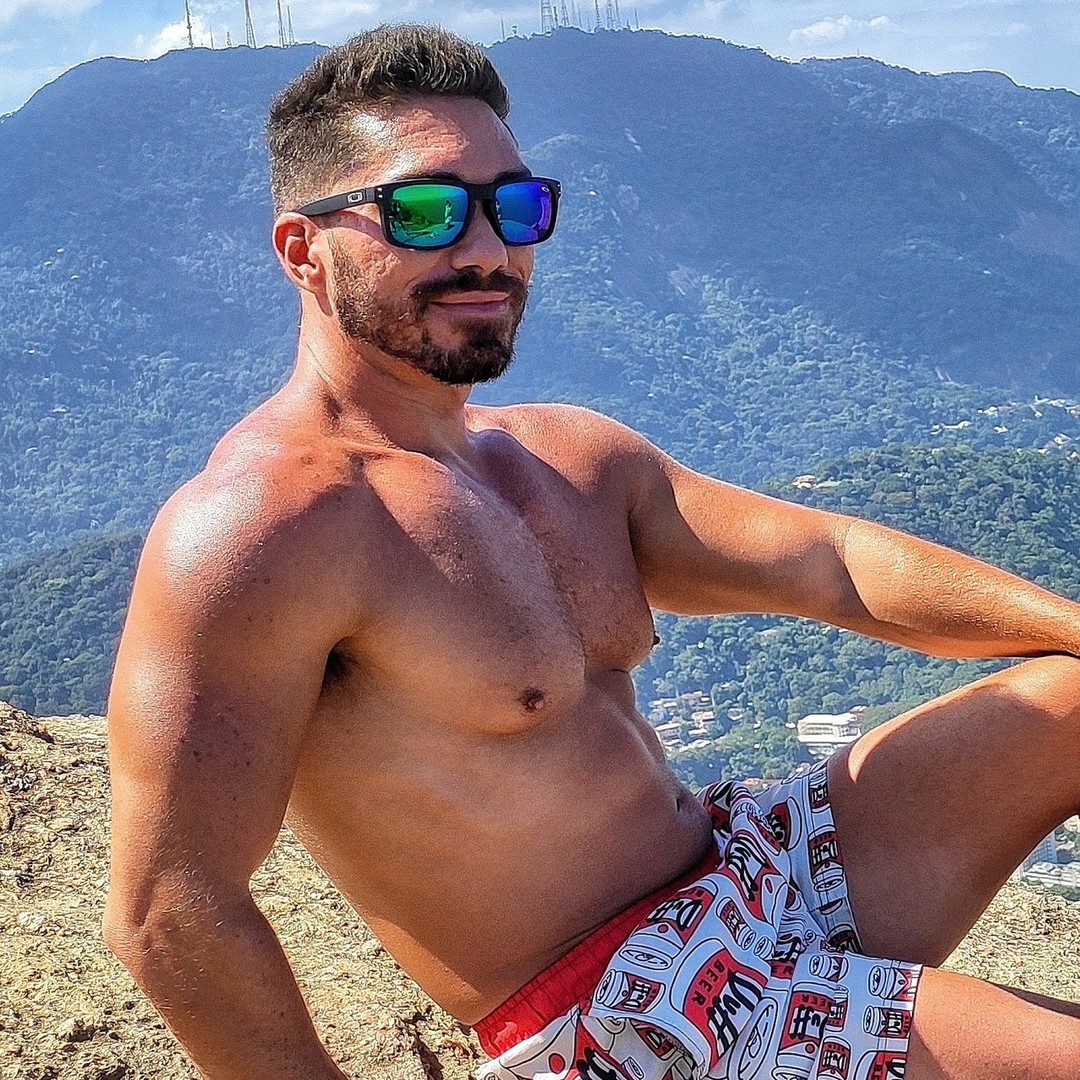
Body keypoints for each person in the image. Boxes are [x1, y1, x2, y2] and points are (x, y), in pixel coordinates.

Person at [103, 23, 1080, 1080]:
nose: (486, 250)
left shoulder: (565, 457)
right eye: (424, 211)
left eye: (514, 206)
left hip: (748, 869)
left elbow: (830, 564)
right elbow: (168, 907)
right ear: (304, 249)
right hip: (626, 1014)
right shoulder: (267, 527)